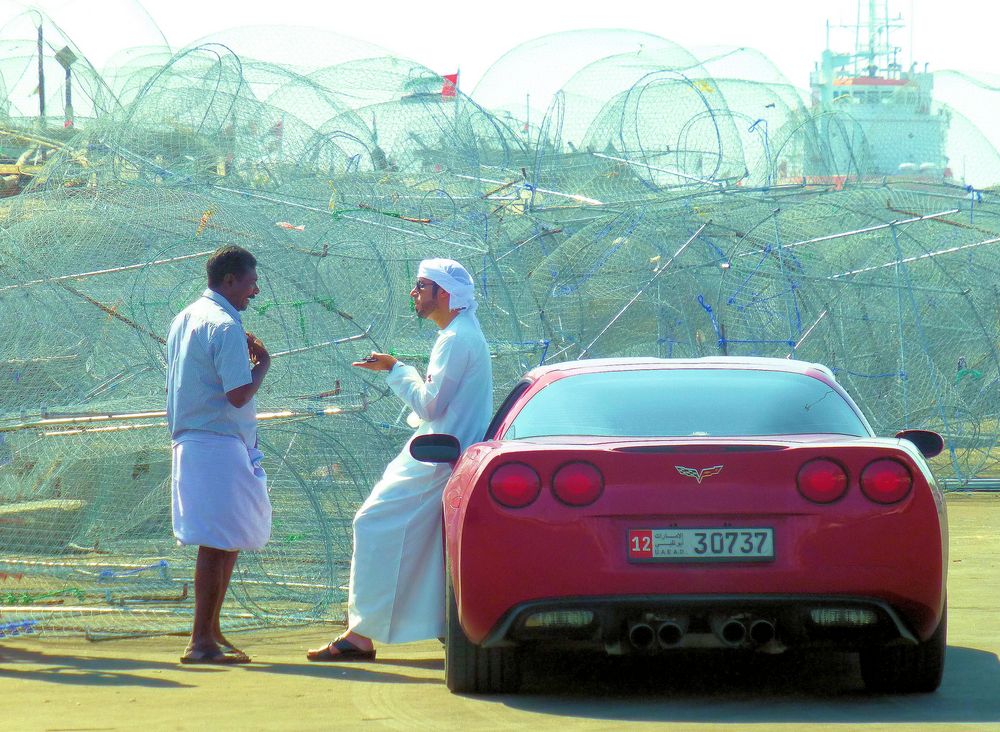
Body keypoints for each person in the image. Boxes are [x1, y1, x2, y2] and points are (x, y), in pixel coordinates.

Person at [307, 258, 492, 661]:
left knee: (371, 522)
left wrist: (397, 369)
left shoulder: (457, 338)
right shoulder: (461, 334)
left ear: (444, 293)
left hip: (436, 456)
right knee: (429, 542)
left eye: (421, 286)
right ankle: (441, 626)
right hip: (445, 452)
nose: (414, 293)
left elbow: (428, 405)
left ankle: (360, 636)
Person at [166, 245, 272, 665]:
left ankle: (210, 630)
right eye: (249, 283)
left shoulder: (185, 316)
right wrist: (263, 363)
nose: (254, 291)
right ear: (229, 281)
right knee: (216, 541)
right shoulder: (225, 324)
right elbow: (238, 393)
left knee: (225, 538)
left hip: (197, 439)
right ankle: (200, 640)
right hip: (216, 440)